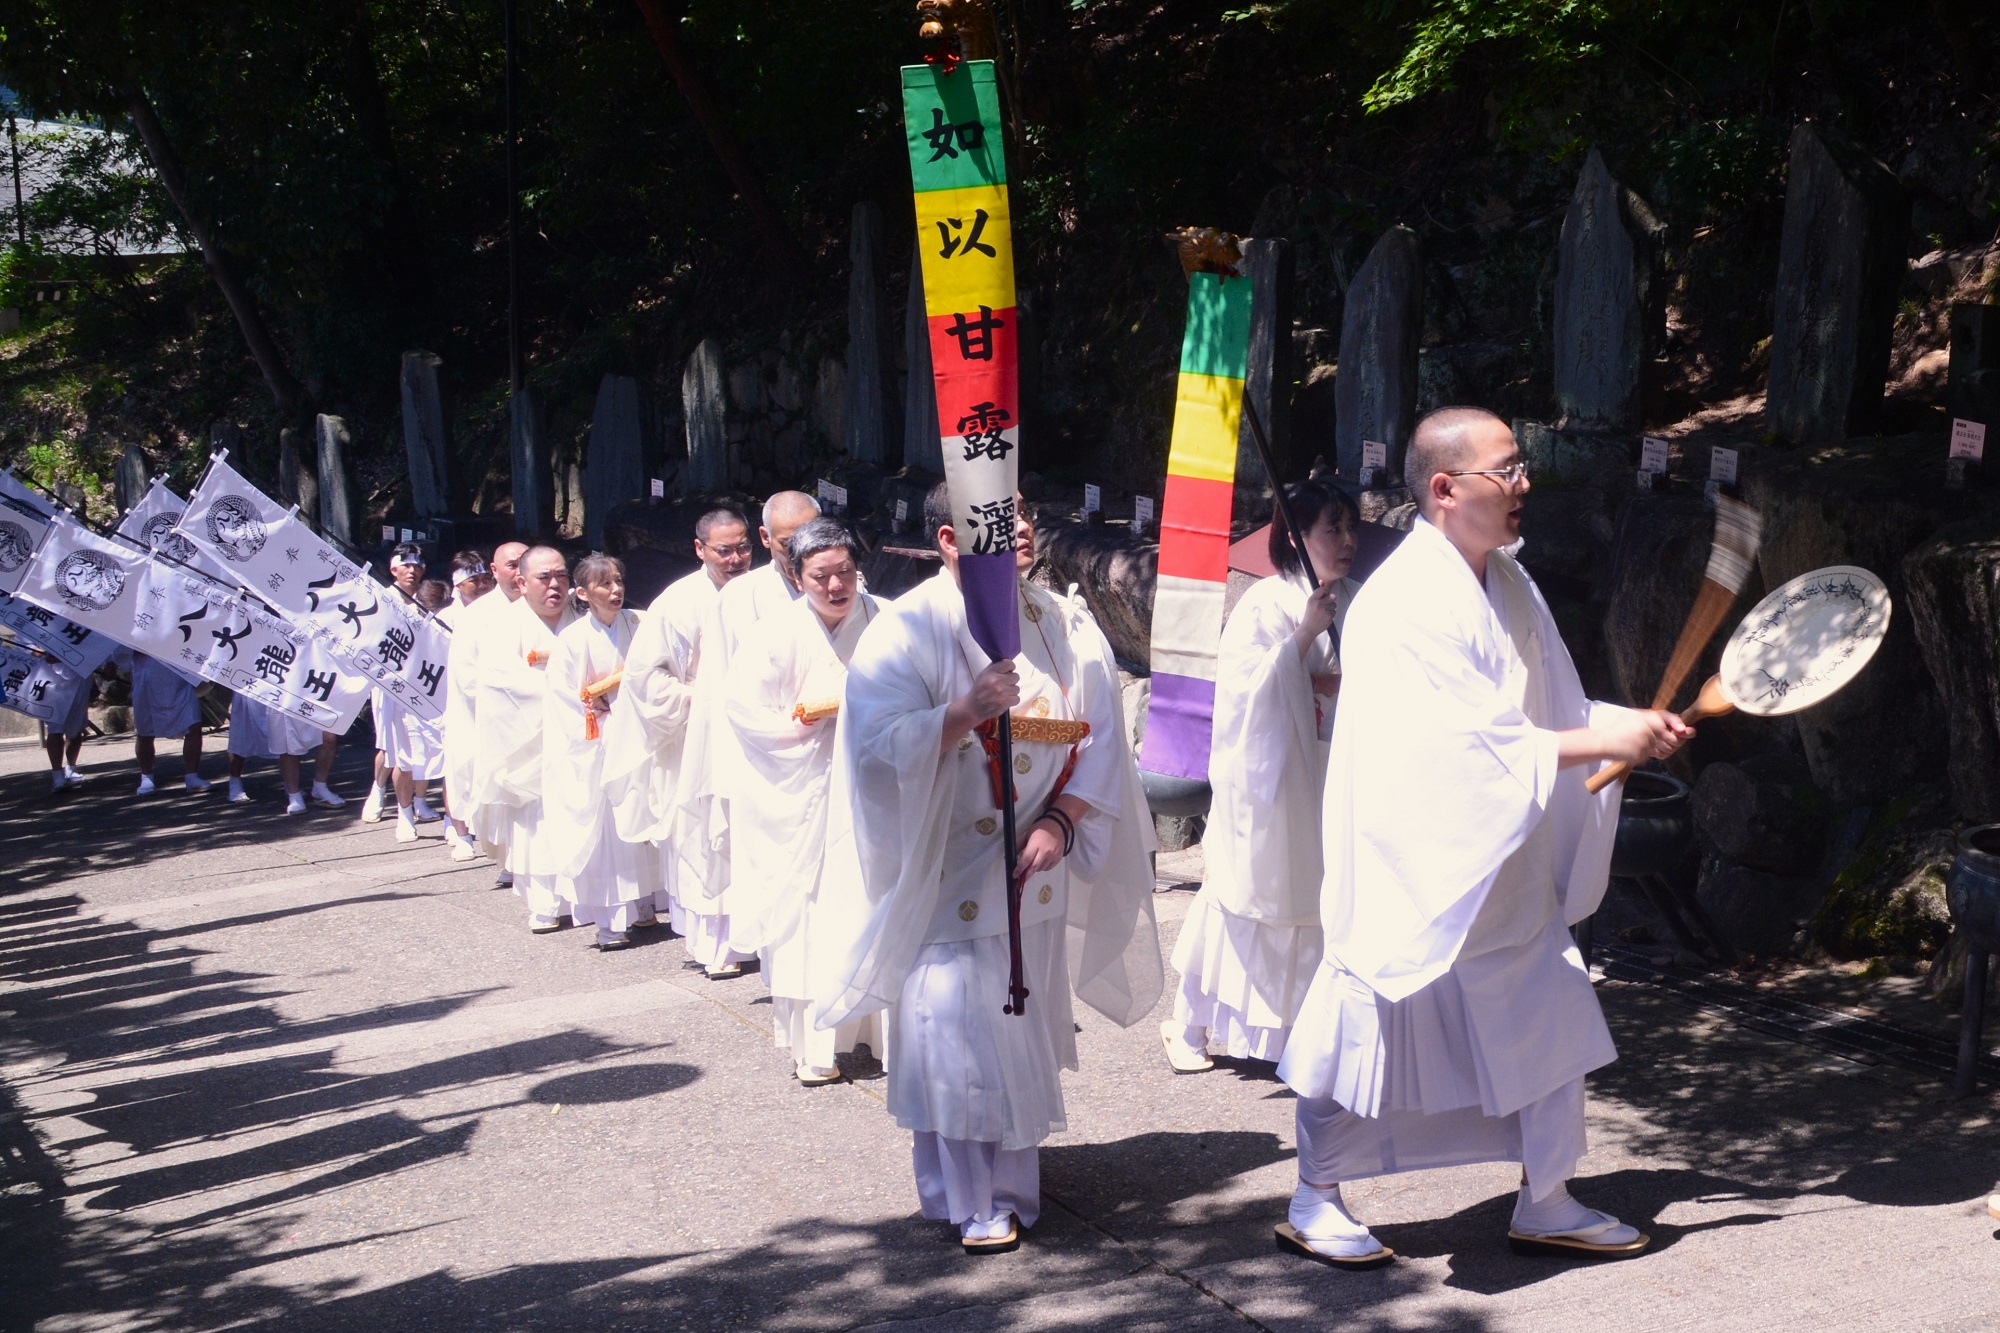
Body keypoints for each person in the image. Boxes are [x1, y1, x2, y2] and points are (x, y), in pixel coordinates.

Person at [1273, 407, 1693, 1268]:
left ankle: (1546, 1195)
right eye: (1507, 470)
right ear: (1444, 489)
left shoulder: (1509, 581)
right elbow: (1468, 746)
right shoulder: (1404, 602)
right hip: (1415, 856)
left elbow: (1553, 712)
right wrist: (1604, 743)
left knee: (1546, 1010)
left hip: (1502, 854)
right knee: (1376, 1023)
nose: (1524, 484)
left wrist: (1620, 726)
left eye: (1521, 467)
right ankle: (1314, 1192)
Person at [811, 483, 1161, 1254]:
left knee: (1011, 1026)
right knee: (952, 1030)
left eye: (1026, 515)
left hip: (1031, 855)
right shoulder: (905, 629)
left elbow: (1098, 738)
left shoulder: (1061, 622)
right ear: (947, 538)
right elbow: (870, 753)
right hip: (943, 865)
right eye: (1000, 523)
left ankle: (1008, 1183)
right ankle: (968, 1197)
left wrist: (1064, 821)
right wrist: (961, 714)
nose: (1024, 532)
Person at [1163, 480, 1361, 1073]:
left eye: (1350, 527)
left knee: (1324, 899)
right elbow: (1244, 697)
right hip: (1275, 776)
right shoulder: (1265, 604)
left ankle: (1311, 1035)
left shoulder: (1355, 599)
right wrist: (1302, 637)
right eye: (1333, 528)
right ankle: (1187, 1023)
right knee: (1252, 893)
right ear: (1297, 537)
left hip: (1333, 765)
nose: (1347, 540)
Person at [721, 518, 885, 1083]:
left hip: (872, 788)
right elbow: (743, 711)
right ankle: (816, 1047)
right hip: (803, 790)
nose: (836, 586)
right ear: (796, 576)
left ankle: (879, 1034)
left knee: (873, 905)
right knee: (811, 917)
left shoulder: (885, 622)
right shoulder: (774, 635)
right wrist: (805, 722)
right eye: (821, 576)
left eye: (845, 572)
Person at [684, 491, 821, 979]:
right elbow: (723, 691)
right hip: (763, 751)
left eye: (811, 537)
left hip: (827, 748)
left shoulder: (838, 581)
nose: (803, 552)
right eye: (789, 542)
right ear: (766, 539)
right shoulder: (740, 598)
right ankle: (778, 958)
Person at [603, 507, 753, 951]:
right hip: (694, 741)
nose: (736, 559)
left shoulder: (764, 594)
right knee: (704, 841)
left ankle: (755, 939)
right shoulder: (676, 602)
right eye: (724, 551)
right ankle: (713, 946)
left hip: (754, 740)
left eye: (743, 547)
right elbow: (644, 679)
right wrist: (704, 699)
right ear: (700, 549)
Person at [542, 554, 658, 950]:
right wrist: (597, 710)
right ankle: (611, 921)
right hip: (602, 742)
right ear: (582, 593)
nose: (616, 591)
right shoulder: (573, 640)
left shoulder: (640, 624)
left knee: (646, 820)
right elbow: (563, 700)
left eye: (619, 581)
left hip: (642, 735)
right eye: (605, 584)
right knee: (609, 832)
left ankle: (646, 905)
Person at [476, 545, 580, 933]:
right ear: (520, 582)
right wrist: (569, 689)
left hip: (584, 738)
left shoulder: (584, 614)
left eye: (562, 576)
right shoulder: (503, 627)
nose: (556, 585)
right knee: (539, 827)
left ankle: (595, 898)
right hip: (531, 744)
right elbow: (502, 684)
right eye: (544, 578)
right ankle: (545, 903)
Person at [449, 542, 528, 879]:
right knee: (501, 795)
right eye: (512, 565)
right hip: (496, 721)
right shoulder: (477, 616)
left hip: (542, 719)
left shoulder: (549, 606)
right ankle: (510, 859)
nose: (519, 572)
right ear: (494, 571)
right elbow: (468, 678)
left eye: (525, 564)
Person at [226, 693, 344, 813]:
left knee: (328, 738)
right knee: (243, 735)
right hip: (261, 689)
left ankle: (318, 787)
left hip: (302, 691)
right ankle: (235, 781)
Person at [119, 649, 209, 795]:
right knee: (145, 731)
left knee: (194, 725)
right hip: (146, 679)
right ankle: (146, 776)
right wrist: (136, 647)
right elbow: (120, 654)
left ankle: (192, 776)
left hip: (178, 675)